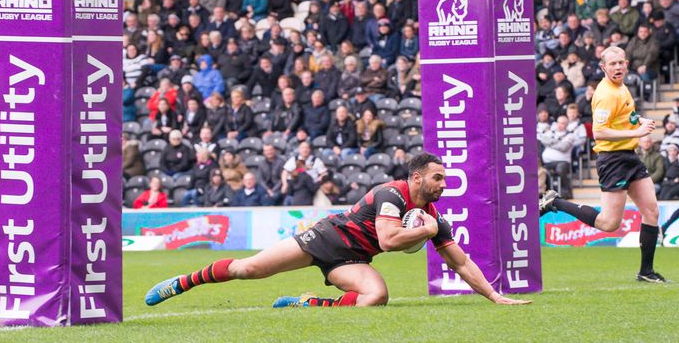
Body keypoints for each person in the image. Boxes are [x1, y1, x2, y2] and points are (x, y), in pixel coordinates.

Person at [145, 153, 531, 307]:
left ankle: (309, 304)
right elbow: (389, 239)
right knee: (249, 270)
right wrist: (426, 232)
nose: (444, 184)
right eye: (438, 178)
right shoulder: (390, 194)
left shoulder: (431, 216)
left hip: (352, 258)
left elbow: (461, 263)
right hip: (324, 238)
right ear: (416, 177)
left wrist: (495, 297)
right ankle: (184, 281)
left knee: (376, 297)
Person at [540, 46, 668, 283]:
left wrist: (639, 121)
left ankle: (646, 272)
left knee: (651, 210)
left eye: (621, 63)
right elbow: (599, 132)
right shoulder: (606, 93)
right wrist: (638, 131)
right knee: (609, 223)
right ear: (603, 67)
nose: (618, 67)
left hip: (630, 156)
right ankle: (555, 201)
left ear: (627, 64)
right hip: (613, 160)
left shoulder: (622, 88)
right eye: (612, 64)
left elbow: (626, 117)